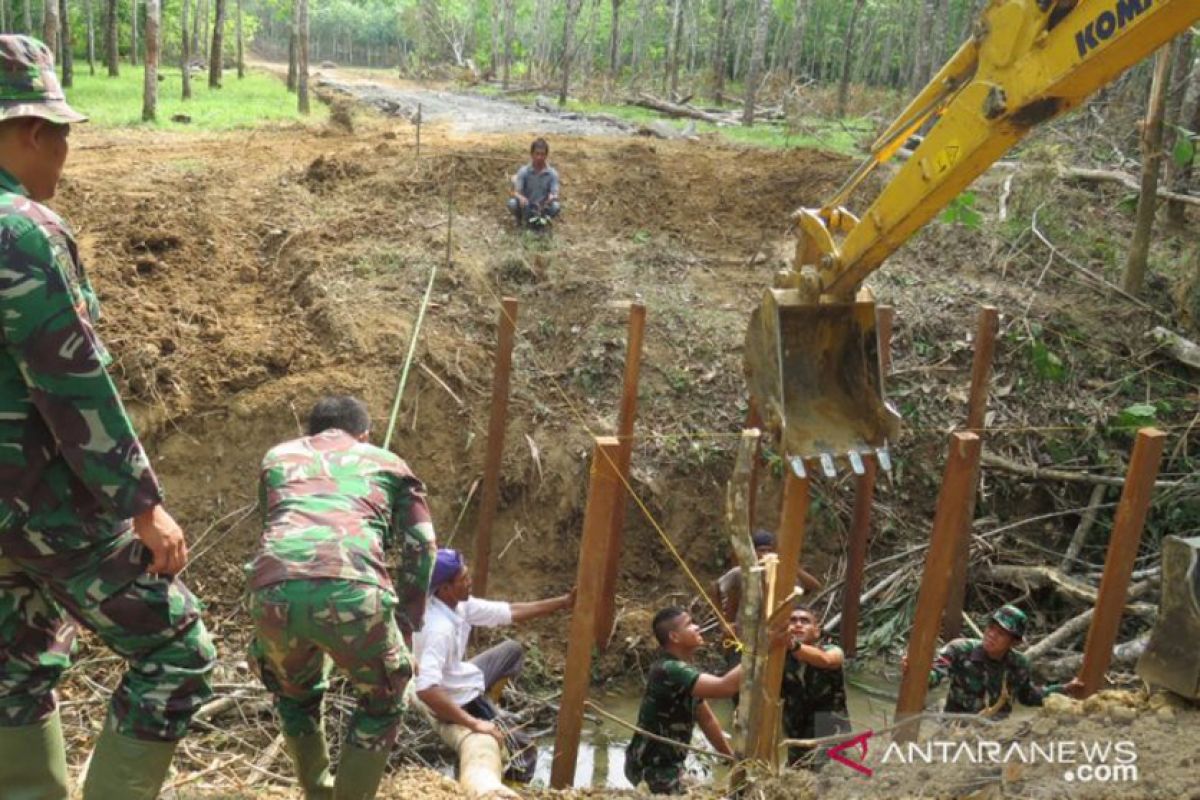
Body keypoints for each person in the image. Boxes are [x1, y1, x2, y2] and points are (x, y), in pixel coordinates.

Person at [0, 35, 216, 799]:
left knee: (14, 665)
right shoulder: (20, 231)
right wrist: (143, 506)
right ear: (32, 131)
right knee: (177, 649)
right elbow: (73, 385)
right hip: (43, 505)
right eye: (61, 135)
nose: (64, 153)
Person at [246, 395, 437, 800]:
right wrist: (407, 622)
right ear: (364, 435)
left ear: (309, 433)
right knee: (383, 700)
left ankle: (318, 792)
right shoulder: (387, 461)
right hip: (353, 590)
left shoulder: (277, 458)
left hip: (273, 591)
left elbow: (273, 525)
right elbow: (423, 547)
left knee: (294, 697)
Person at [413, 548, 573, 783]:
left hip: (461, 676)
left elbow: (510, 611)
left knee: (511, 651)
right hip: (457, 698)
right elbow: (426, 689)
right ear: (445, 588)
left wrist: (564, 602)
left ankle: (491, 706)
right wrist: (473, 723)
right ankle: (510, 785)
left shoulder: (454, 604)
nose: (470, 582)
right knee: (524, 750)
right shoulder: (440, 629)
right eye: (464, 579)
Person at [625, 606, 742, 795]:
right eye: (689, 624)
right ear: (675, 637)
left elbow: (707, 720)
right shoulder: (669, 669)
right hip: (652, 767)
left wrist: (731, 759)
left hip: (667, 764)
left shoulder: (680, 669)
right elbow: (725, 687)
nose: (697, 627)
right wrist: (759, 651)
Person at [903, 604, 1085, 717]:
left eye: (1001, 634)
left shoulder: (1018, 665)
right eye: (991, 628)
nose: (991, 635)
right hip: (955, 728)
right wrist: (916, 673)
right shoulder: (960, 649)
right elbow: (936, 673)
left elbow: (1029, 696)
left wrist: (1063, 689)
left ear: (1014, 642)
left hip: (994, 733)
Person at [715, 529, 821, 663]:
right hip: (744, 644)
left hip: (776, 645)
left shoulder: (784, 576)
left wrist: (791, 566)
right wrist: (723, 622)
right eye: (761, 551)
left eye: (769, 551)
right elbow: (715, 589)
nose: (766, 555)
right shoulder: (743, 573)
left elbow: (814, 586)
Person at [779, 605, 850, 768]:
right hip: (796, 738)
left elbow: (827, 660)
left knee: (833, 780)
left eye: (804, 621)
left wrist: (793, 645)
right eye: (793, 621)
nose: (797, 625)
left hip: (831, 733)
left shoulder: (831, 651)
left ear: (817, 631)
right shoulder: (779, 660)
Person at [506, 137, 561, 228]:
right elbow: (515, 192)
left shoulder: (552, 174)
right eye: (537, 154)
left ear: (546, 155)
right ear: (532, 154)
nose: (539, 157)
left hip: (543, 207)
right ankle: (521, 220)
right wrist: (521, 197)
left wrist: (552, 197)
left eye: (542, 154)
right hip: (526, 206)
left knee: (555, 206)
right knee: (512, 203)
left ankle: (543, 224)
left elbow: (555, 193)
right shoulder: (524, 171)